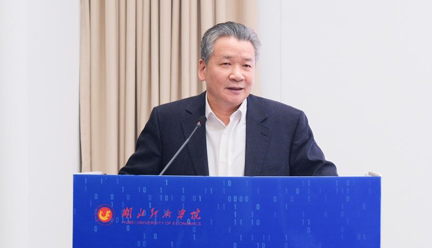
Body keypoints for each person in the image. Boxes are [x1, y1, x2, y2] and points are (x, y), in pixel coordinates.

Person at [119, 21, 337, 176]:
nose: (237, 75)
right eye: (226, 63)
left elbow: (324, 183)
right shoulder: (167, 121)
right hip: (191, 229)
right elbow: (131, 185)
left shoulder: (288, 123)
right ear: (203, 69)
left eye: (246, 65)